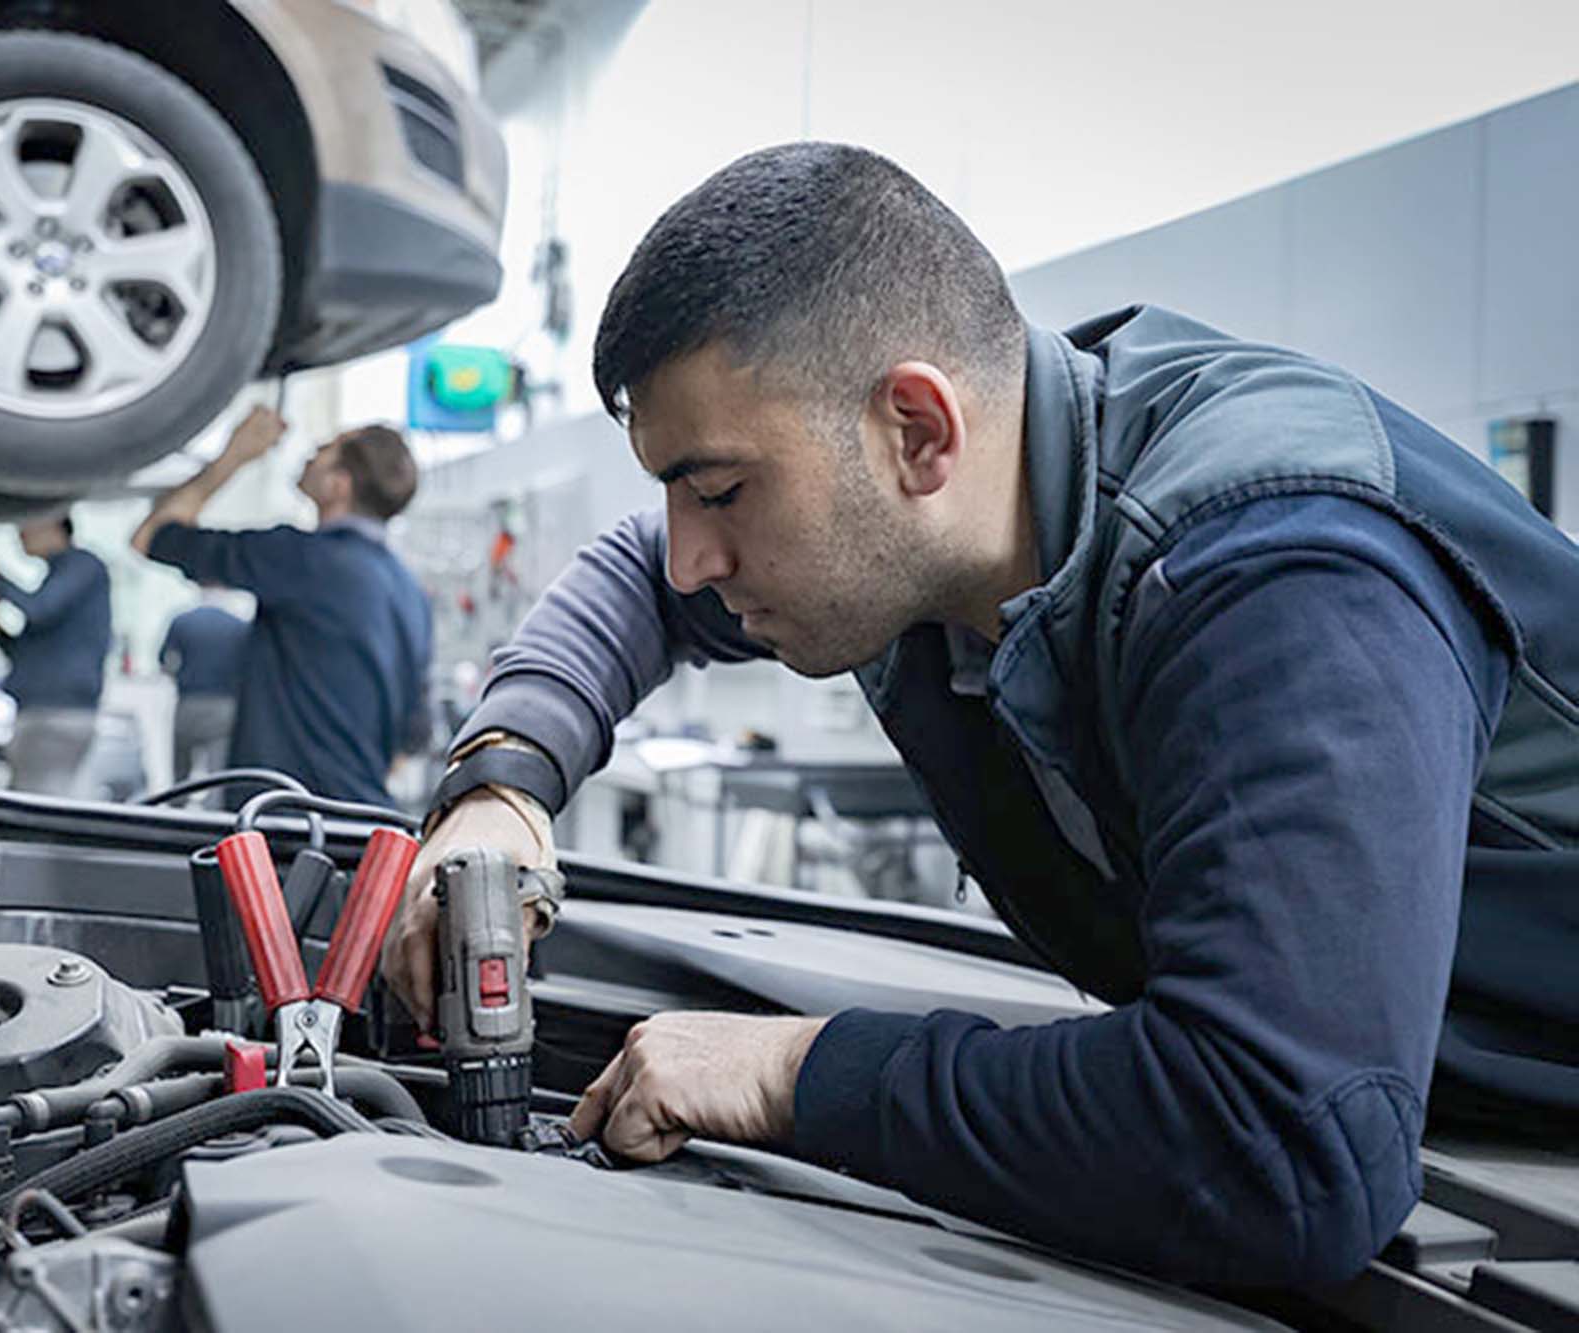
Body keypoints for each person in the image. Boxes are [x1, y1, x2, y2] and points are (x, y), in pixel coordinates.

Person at [380, 143, 1579, 1286]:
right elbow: (634, 580)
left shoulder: (1275, 568)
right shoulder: (950, 531)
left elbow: (1281, 1140)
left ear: (917, 429)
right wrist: (499, 792)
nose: (692, 557)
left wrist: (798, 1073)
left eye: (722, 491)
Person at [131, 407, 432, 804]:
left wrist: (234, 455)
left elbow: (152, 536)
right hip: (361, 826)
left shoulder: (302, 559)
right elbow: (413, 734)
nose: (309, 455)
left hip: (285, 826)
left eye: (323, 451)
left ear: (338, 485)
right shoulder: (410, 590)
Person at [0, 515, 112, 795]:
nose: (20, 534)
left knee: (37, 805)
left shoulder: (82, 565)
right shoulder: (57, 576)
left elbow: (40, 608)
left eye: (26, 525)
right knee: (29, 798)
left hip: (58, 713)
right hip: (40, 710)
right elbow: (25, 653)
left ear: (55, 524)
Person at [161, 588, 252, 785]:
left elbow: (166, 662)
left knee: (180, 771)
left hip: (188, 702)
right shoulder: (239, 626)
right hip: (224, 705)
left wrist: (180, 677)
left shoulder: (182, 621)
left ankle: (176, 810)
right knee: (218, 774)